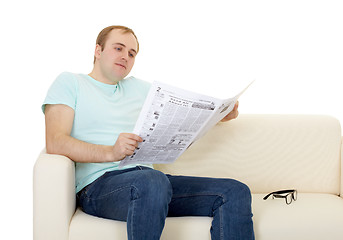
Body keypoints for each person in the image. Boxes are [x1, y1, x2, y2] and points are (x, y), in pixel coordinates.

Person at [42, 25, 254, 240]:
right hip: (99, 187)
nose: (125, 56)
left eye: (132, 53)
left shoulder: (141, 89)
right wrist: (111, 152)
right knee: (152, 181)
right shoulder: (71, 82)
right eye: (118, 48)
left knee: (234, 191)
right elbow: (55, 141)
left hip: (151, 184)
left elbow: (184, 116)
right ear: (98, 50)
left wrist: (220, 114)